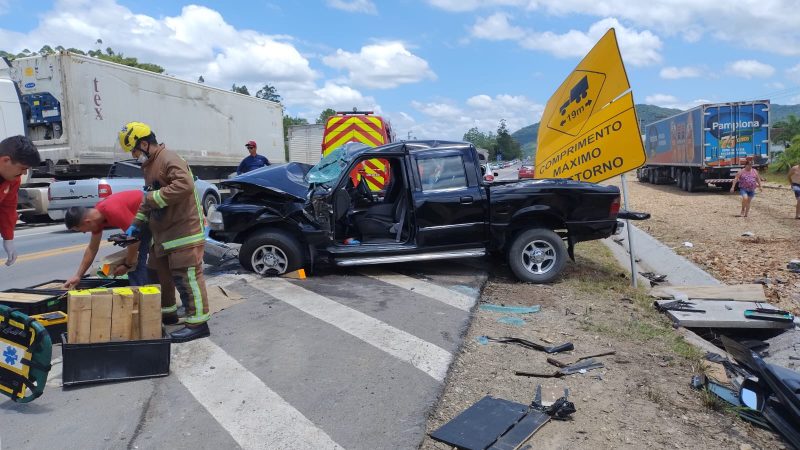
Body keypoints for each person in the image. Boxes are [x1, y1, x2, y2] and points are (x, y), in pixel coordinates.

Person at [119, 121, 210, 343]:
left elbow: (184, 185)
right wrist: (135, 225)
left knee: (187, 278)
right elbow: (147, 199)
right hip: (164, 236)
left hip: (183, 231)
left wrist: (152, 199)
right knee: (158, 274)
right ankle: (169, 314)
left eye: (134, 150)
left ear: (144, 143)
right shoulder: (149, 165)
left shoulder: (169, 158)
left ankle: (198, 323)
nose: (133, 155)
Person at [62, 190, 151, 289]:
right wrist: (78, 276)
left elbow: (134, 241)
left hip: (153, 211)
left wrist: (127, 265)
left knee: (136, 261)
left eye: (80, 230)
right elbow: (92, 248)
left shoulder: (113, 210)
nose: (84, 232)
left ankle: (144, 297)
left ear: (87, 222)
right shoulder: (97, 218)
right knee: (137, 256)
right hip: (142, 221)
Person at [0, 136, 41, 266]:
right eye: (22, 168)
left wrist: (8, 238)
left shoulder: (13, 179)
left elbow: (8, 208)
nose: (24, 173)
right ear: (5, 160)